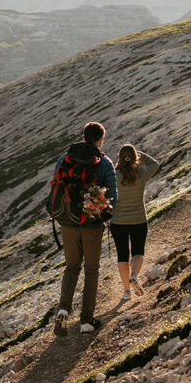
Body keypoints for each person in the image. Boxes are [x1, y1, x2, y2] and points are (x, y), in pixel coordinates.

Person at [53, 121, 117, 335]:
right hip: (91, 224)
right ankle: (86, 321)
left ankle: (63, 309)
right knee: (91, 270)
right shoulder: (104, 162)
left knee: (71, 267)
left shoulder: (65, 159)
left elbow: (56, 187)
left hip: (67, 223)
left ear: (82, 137)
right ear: (101, 139)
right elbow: (113, 197)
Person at [110, 144, 160, 299]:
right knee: (138, 251)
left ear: (119, 158)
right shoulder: (141, 173)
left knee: (122, 255)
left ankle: (126, 291)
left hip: (118, 222)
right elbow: (155, 164)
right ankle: (134, 275)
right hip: (139, 219)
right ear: (134, 158)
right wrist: (139, 154)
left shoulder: (114, 175)